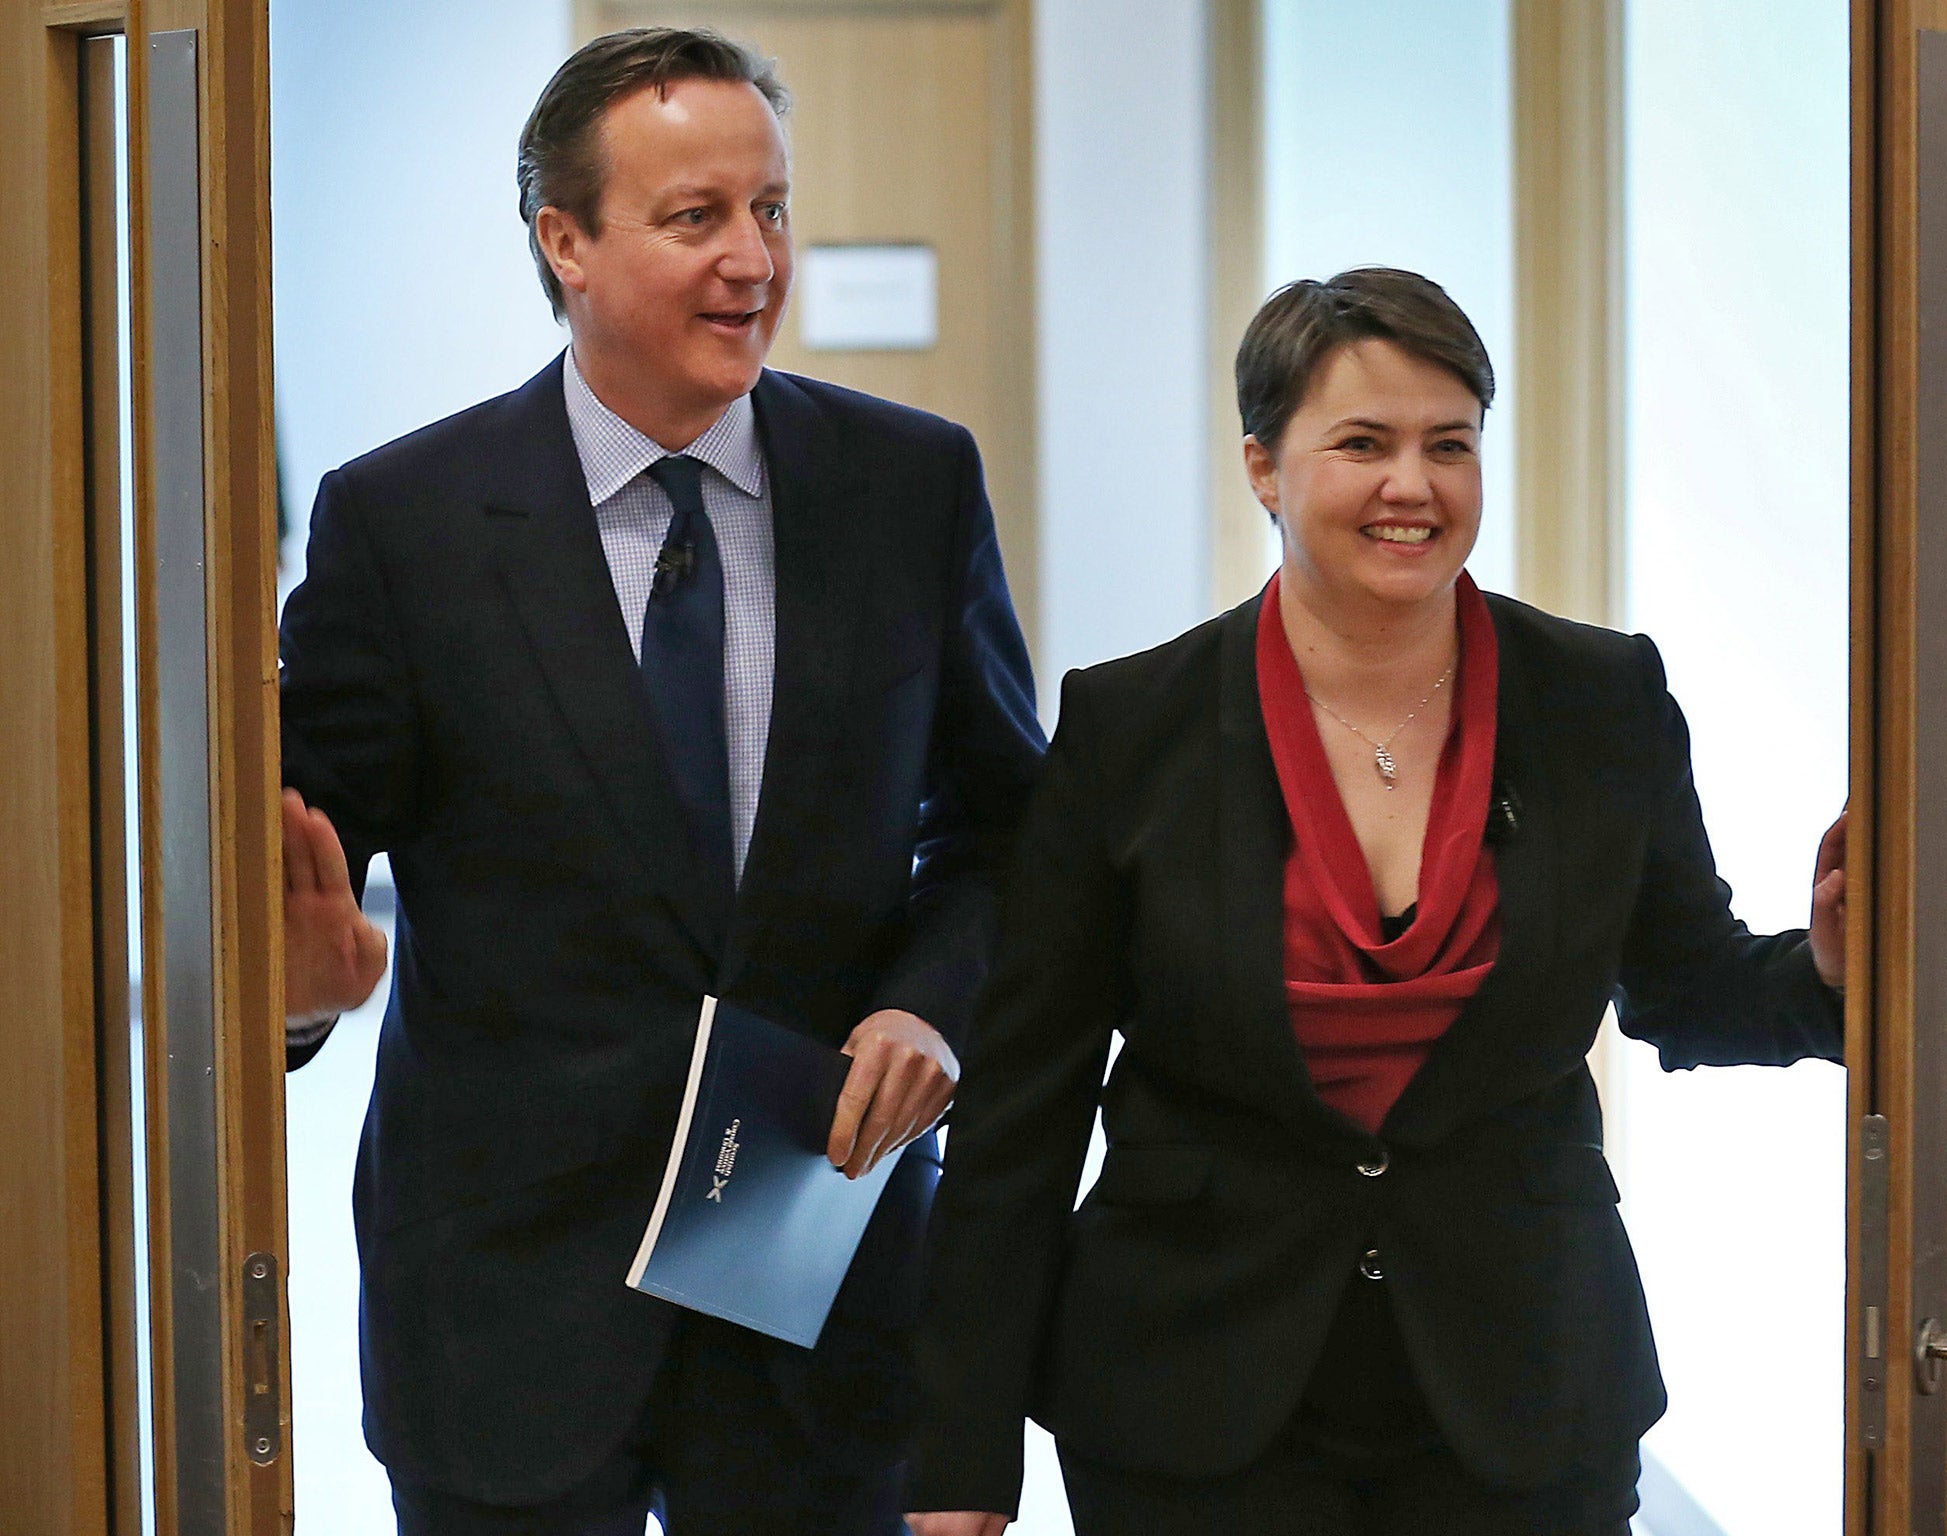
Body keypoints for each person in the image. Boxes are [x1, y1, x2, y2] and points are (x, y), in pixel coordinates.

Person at [904, 267, 1848, 1536]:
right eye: (1362, 444)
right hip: (1193, 1389)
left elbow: (1684, 988)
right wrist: (961, 1462)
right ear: (1261, 465)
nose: (1412, 485)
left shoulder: (1599, 699)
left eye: (1447, 445)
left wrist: (1829, 979)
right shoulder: (1132, 728)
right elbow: (1024, 1106)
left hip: (1521, 1382)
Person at [277, 27, 1042, 1536]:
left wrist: (932, 1003)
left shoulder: (909, 486)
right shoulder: (404, 523)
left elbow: (1011, 832)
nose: (753, 259)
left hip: (814, 1274)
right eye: (697, 218)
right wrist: (300, 992)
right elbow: (299, 869)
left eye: (770, 209)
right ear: (564, 240)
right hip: (504, 1301)